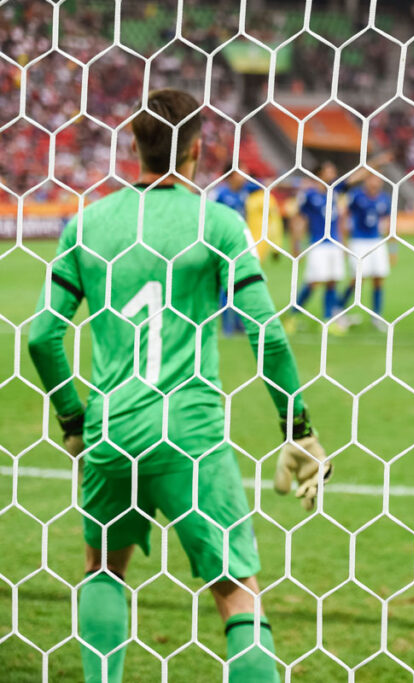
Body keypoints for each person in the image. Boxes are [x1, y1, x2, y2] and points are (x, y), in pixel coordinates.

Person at [27, 88, 332, 683]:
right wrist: (298, 429)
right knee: (236, 591)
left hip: (110, 431)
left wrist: (73, 420)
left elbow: (42, 337)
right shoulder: (216, 222)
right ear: (197, 149)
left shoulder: (87, 223)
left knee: (102, 569)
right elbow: (265, 334)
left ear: (135, 148)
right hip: (188, 433)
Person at [284, 161, 350, 334]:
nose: (334, 173)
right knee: (313, 283)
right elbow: (298, 219)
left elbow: (339, 221)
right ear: (320, 173)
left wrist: (343, 244)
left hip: (334, 244)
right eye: (330, 171)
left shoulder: (334, 193)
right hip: (318, 244)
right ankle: (292, 316)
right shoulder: (308, 195)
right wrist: (296, 244)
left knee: (332, 282)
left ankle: (328, 321)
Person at [336, 173, 392, 332]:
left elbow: (389, 222)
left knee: (379, 278)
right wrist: (343, 242)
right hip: (358, 241)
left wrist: (393, 248)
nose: (376, 182)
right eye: (373, 179)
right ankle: (338, 310)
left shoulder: (384, 199)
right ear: (366, 180)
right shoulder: (356, 196)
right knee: (358, 279)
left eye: (379, 179)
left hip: (377, 241)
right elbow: (343, 215)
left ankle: (376, 316)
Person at [212, 166, 260, 335]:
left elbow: (264, 185)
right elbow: (208, 215)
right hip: (222, 243)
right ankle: (227, 326)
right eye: (242, 172)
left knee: (241, 282)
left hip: (240, 242)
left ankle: (239, 324)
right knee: (226, 283)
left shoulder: (245, 189)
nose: (246, 176)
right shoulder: (219, 194)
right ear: (231, 175)